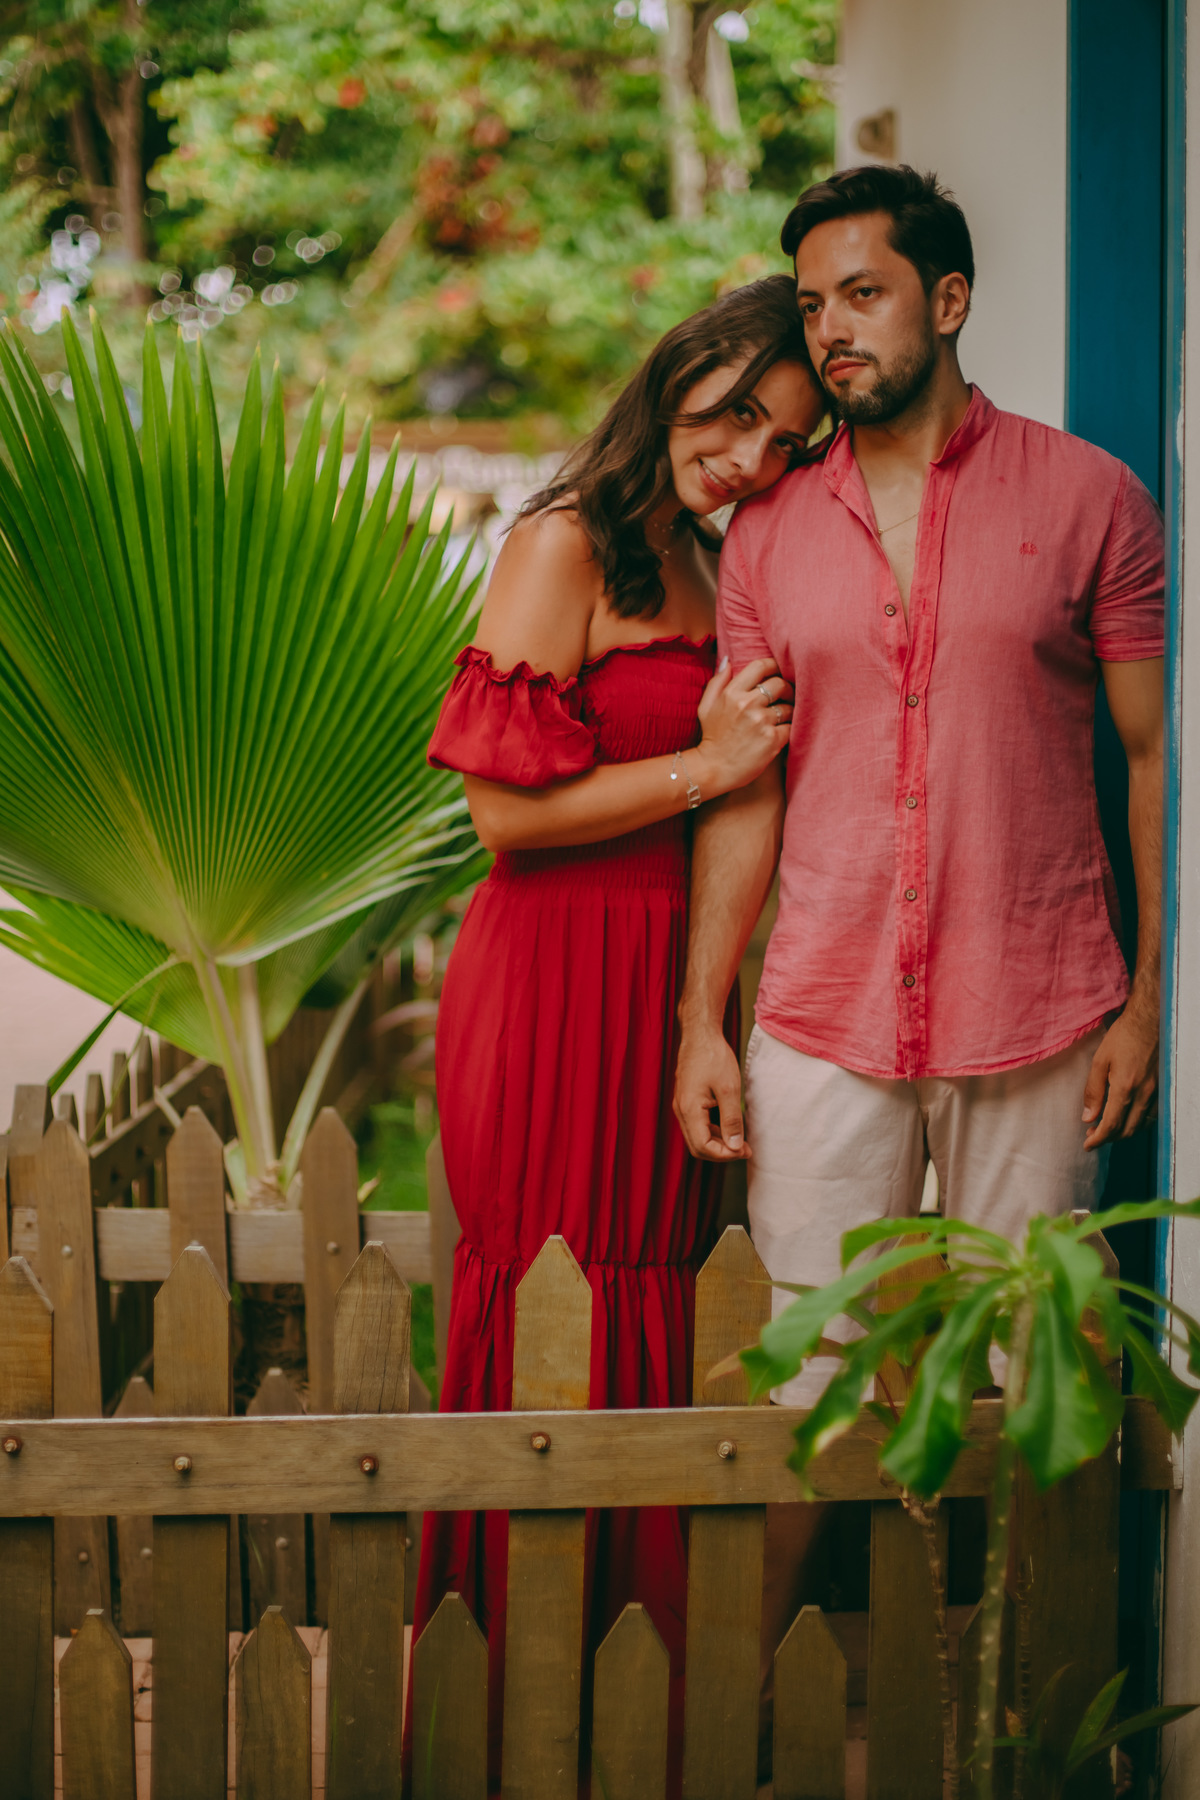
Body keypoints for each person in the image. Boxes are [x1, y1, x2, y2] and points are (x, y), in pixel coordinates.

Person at [671, 165, 1165, 1733]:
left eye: (862, 295)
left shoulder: (1092, 499)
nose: (831, 333)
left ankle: (1040, 1716)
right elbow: (743, 792)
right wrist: (705, 1017)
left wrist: (1151, 998)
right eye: (812, 305)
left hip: (1042, 1003)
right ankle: (736, 1722)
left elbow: (1155, 763)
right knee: (810, 1384)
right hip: (817, 1011)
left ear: (947, 301)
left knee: (1047, 1375)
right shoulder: (765, 535)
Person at [411, 274, 827, 1790]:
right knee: (547, 1308)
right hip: (545, 978)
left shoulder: (739, 564)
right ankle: (510, 1718)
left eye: (786, 440)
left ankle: (639, 1717)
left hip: (671, 982)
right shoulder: (561, 543)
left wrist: (707, 1009)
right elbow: (505, 818)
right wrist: (705, 768)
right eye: (737, 418)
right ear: (683, 374)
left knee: (652, 1313)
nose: (753, 460)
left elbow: (757, 783)